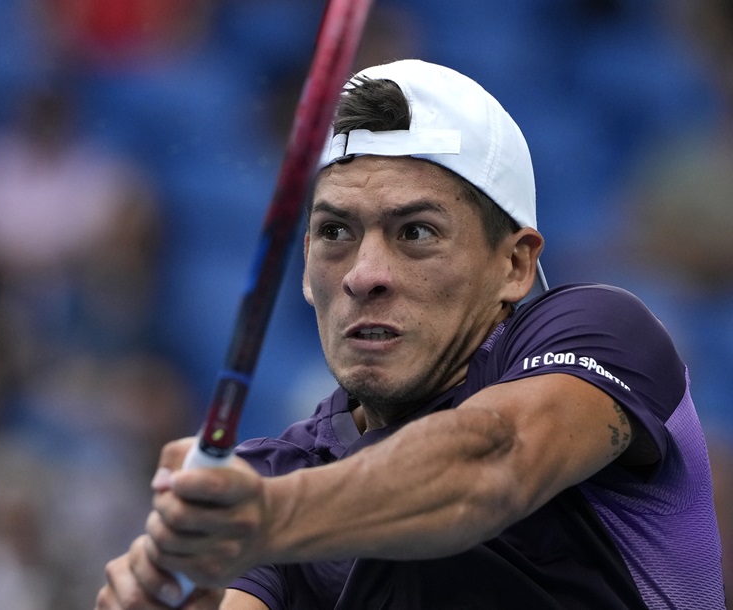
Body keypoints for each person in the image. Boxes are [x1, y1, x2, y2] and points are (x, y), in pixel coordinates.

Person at [94, 59, 726, 609]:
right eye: (337, 233)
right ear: (308, 267)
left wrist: (268, 518)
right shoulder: (275, 472)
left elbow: (491, 461)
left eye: (416, 232)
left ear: (514, 264)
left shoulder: (603, 335)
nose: (364, 275)